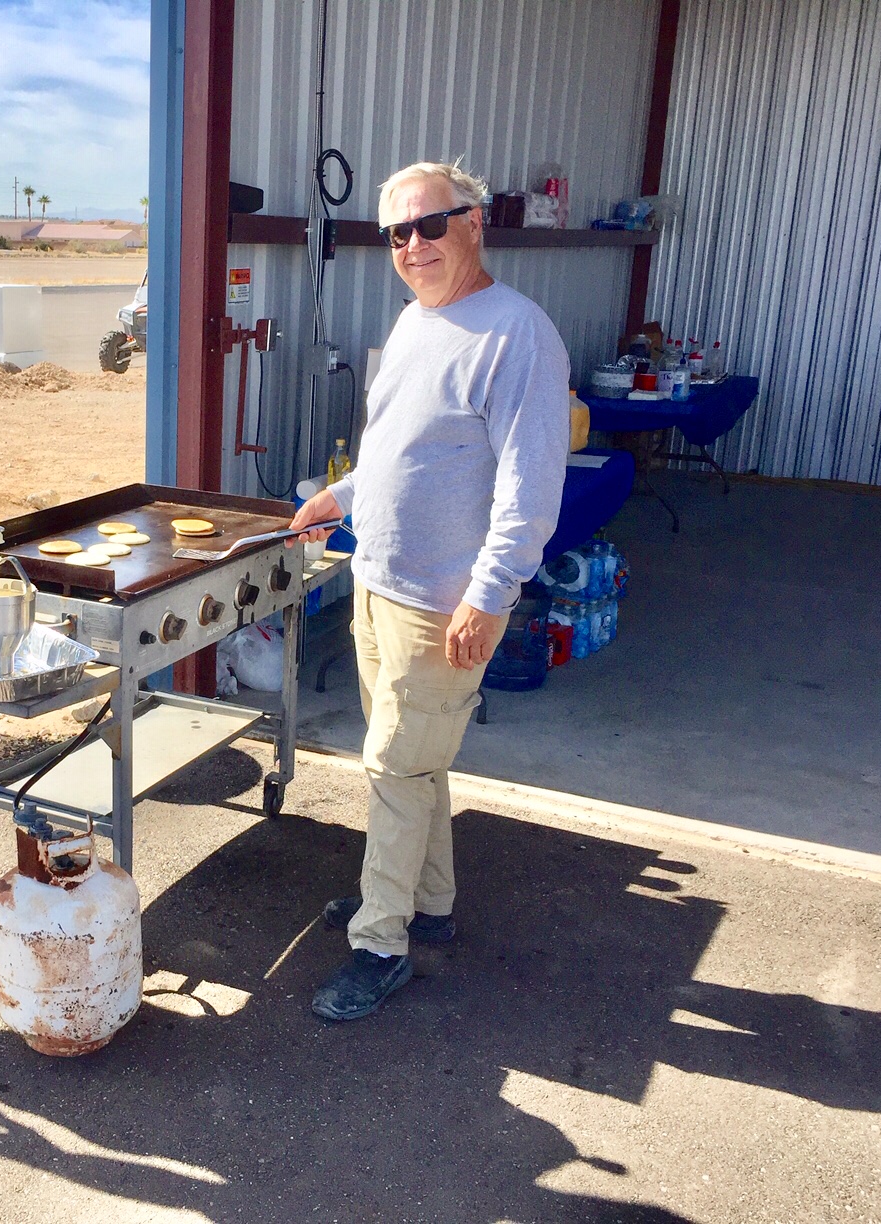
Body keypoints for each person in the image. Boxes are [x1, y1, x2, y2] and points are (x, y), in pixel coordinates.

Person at [290, 160, 570, 1022]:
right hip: (377, 582)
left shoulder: (517, 334)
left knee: (394, 767)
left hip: (443, 604)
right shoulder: (416, 320)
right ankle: (428, 901)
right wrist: (341, 497)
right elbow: (395, 447)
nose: (413, 245)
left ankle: (381, 942)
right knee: (415, 763)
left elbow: (530, 488)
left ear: (473, 223)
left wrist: (491, 594)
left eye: (430, 225)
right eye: (397, 233)